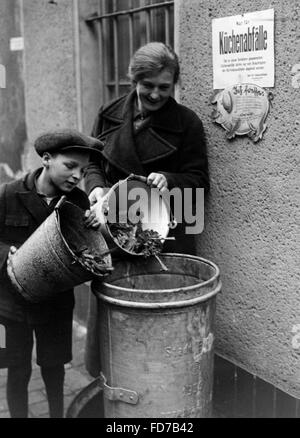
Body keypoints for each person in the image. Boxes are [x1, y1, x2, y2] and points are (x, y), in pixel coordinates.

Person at [84, 42, 210, 377]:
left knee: (159, 327)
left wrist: (171, 179)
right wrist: (96, 187)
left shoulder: (187, 123)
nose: (155, 94)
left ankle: (165, 392)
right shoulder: (108, 113)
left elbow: (200, 181)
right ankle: (113, 384)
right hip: (114, 233)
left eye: (164, 87)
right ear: (134, 80)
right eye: (148, 86)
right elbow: (92, 162)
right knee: (116, 318)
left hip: (164, 236)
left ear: (174, 85)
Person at [0, 129, 103, 418]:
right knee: (17, 369)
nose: (76, 176)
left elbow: (89, 250)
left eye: (82, 171)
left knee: (54, 368)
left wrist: (96, 224)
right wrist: (5, 252)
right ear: (46, 159)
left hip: (55, 303)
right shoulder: (8, 193)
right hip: (11, 305)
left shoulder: (79, 202)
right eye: (70, 166)